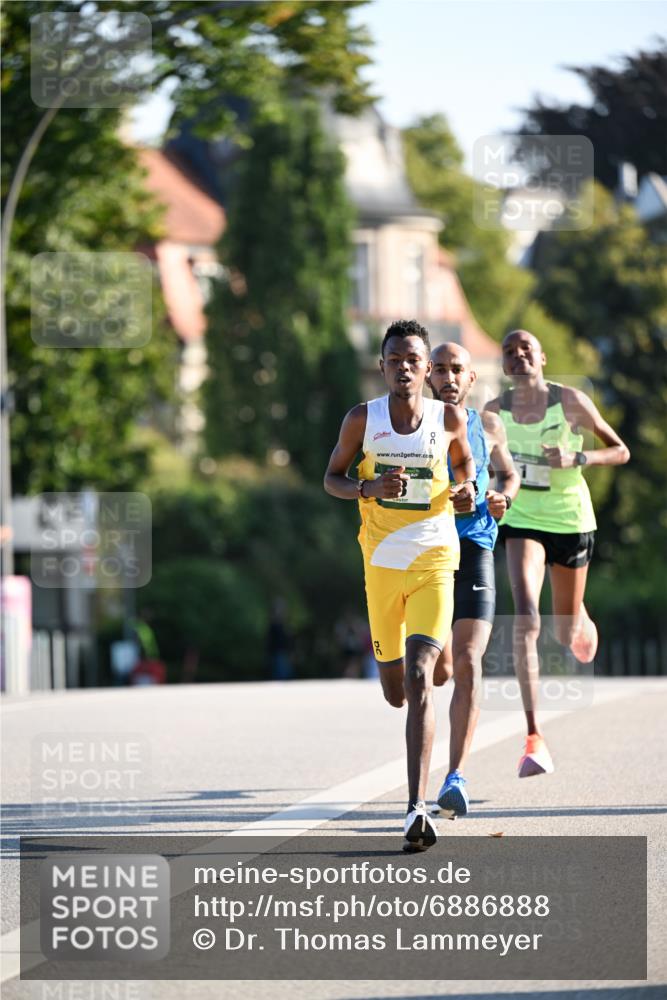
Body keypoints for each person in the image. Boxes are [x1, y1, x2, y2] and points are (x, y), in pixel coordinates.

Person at [324, 319, 477, 851]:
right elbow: (332, 478)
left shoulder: (447, 417)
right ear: (383, 366)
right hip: (381, 565)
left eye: (416, 360)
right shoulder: (361, 420)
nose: (406, 368)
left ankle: (415, 808)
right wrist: (369, 487)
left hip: (436, 557)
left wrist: (465, 493)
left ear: (426, 368)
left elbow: (465, 471)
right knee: (396, 691)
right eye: (396, 360)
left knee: (418, 679)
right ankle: (432, 665)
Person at [485, 330, 630, 777]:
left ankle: (577, 614)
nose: (518, 354)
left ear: (542, 356)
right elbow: (487, 464)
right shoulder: (493, 413)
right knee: (527, 617)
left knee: (564, 632)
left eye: (525, 347)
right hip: (522, 518)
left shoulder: (569, 402)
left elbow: (620, 450)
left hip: (570, 520)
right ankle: (534, 735)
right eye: (509, 351)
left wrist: (576, 459)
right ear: (505, 366)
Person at [427, 342, 520, 817]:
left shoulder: (488, 424)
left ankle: (455, 777)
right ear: (427, 377)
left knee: (467, 660)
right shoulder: (413, 425)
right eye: (438, 368)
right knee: (439, 668)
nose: (447, 376)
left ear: (470, 379)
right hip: (428, 555)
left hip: (477, 549)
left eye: (456, 369)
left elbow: (509, 474)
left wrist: (503, 497)